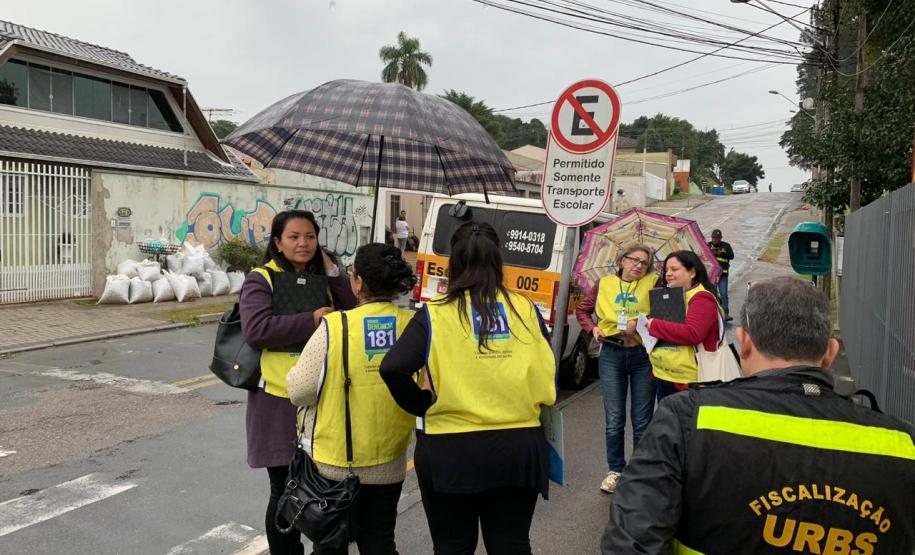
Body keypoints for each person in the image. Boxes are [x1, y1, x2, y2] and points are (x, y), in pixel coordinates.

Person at [601, 276, 915, 554]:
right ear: (830, 353)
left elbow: (632, 541)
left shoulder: (686, 419)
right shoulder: (903, 442)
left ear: (745, 343)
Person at [380, 221, 556, 554]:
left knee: (452, 547)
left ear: (454, 262)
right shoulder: (527, 310)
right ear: (498, 260)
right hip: (519, 446)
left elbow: (392, 367)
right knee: (512, 545)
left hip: (450, 450)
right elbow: (547, 372)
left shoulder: (435, 315)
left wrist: (419, 404)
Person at [286, 242, 417, 554]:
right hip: (390, 457)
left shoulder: (335, 326)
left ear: (357, 282)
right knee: (380, 541)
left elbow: (300, 390)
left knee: (330, 544)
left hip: (335, 463)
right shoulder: (413, 325)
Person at [240, 210, 357, 555]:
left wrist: (335, 273)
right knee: (284, 487)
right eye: (293, 237)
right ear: (277, 242)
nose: (303, 243)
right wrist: (312, 319)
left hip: (324, 400)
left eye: (309, 236)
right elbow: (257, 331)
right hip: (277, 399)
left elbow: (353, 311)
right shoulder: (262, 279)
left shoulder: (326, 278)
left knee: (327, 485)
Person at [575, 246, 657, 494]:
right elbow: (583, 310)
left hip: (643, 355)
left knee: (642, 420)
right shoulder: (604, 284)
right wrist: (592, 329)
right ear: (622, 260)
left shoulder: (654, 283)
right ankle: (615, 471)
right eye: (634, 260)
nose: (639, 266)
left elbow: (668, 314)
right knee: (615, 419)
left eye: (644, 262)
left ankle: (639, 473)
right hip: (612, 353)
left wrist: (643, 322)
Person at [648, 250, 723, 401]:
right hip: (665, 374)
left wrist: (653, 325)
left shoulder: (701, 298)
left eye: (674, 269)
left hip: (689, 380)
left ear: (692, 272)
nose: (668, 274)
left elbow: (693, 333)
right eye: (666, 270)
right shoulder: (673, 295)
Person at [708, 229, 734, 321]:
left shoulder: (726, 246)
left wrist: (722, 253)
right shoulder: (708, 245)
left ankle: (725, 314)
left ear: (720, 238)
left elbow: (731, 256)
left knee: (723, 294)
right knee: (712, 294)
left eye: (717, 238)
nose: (715, 239)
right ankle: (712, 313)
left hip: (723, 275)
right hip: (712, 276)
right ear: (711, 238)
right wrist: (712, 252)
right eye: (714, 238)